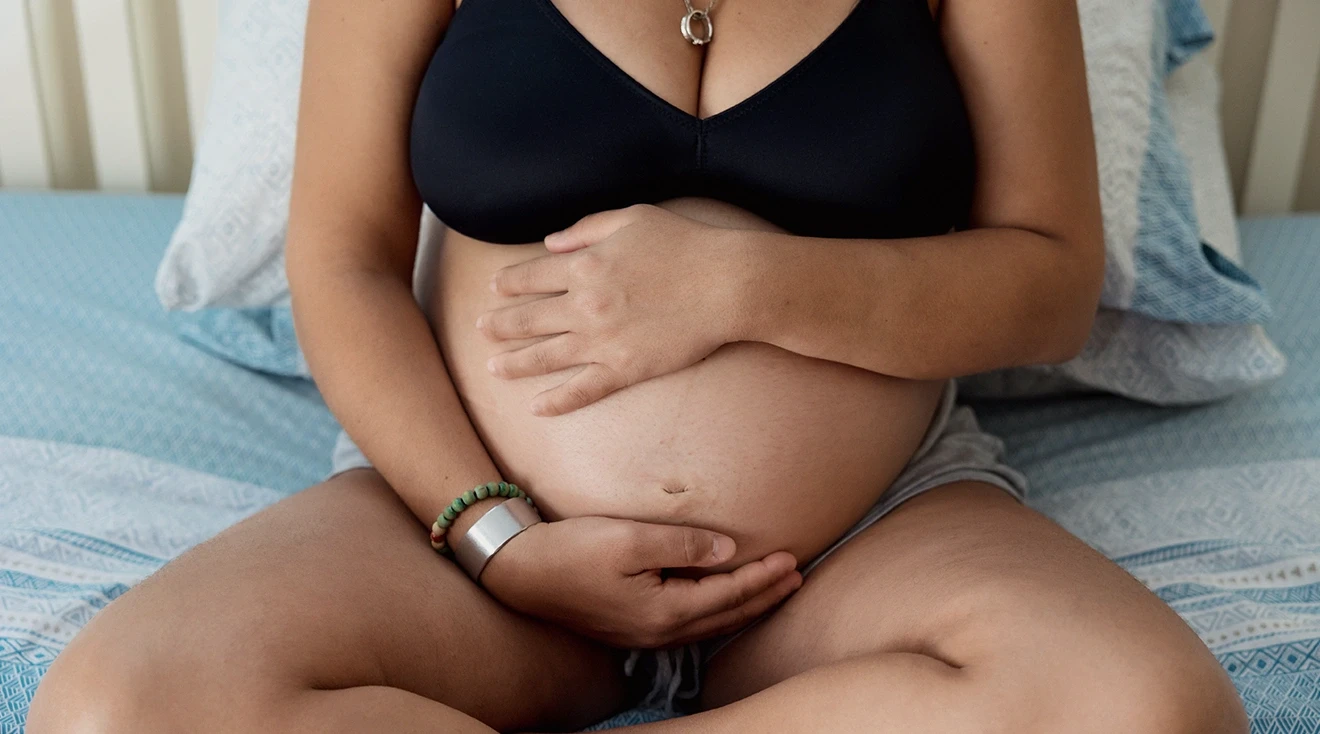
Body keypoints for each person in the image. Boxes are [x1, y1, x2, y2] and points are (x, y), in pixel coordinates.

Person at [29, 0, 1248, 731]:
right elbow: (339, 259)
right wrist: (496, 536)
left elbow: (1045, 283)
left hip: (860, 549)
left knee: (1149, 707)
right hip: (472, 548)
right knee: (119, 706)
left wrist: (738, 289)